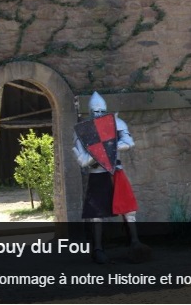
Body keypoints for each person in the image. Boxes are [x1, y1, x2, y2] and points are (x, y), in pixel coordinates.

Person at [72, 91, 150, 264]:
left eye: (101, 111)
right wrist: (97, 153)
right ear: (90, 111)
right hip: (96, 172)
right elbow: (82, 160)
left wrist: (109, 146)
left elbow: (129, 143)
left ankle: (135, 242)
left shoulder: (116, 123)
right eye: (95, 111)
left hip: (116, 171)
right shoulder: (83, 130)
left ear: (105, 110)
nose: (98, 114)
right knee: (96, 213)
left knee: (128, 209)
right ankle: (98, 249)